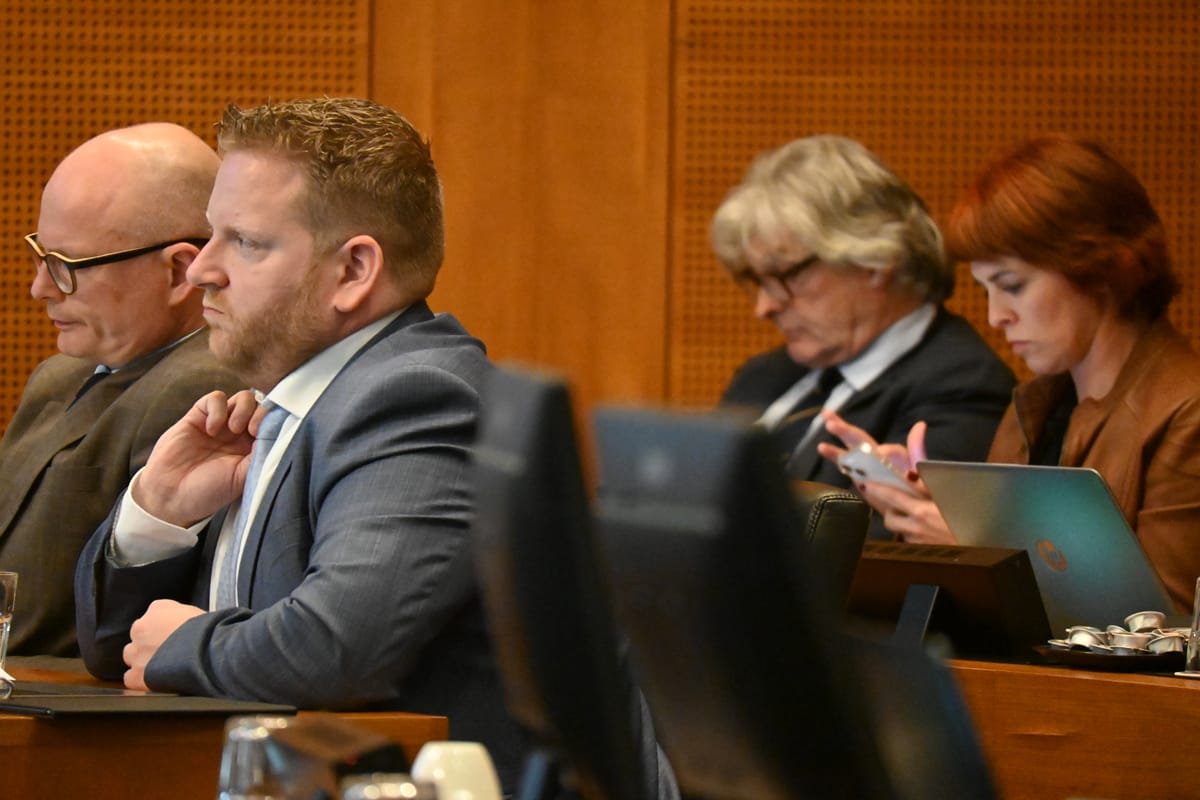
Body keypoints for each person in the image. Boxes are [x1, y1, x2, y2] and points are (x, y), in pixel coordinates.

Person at [74, 99, 523, 787]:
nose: (201, 271)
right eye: (212, 234)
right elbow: (116, 650)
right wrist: (158, 515)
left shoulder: (417, 396)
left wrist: (185, 645)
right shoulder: (286, 407)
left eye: (246, 243)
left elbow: (335, 649)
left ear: (354, 271)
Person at [820, 134, 1200, 611]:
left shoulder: (1187, 413)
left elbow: (1173, 630)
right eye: (986, 290)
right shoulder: (1035, 404)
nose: (996, 316)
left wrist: (975, 548)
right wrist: (933, 508)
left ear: (1100, 267)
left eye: (1012, 285)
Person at [0, 124, 243, 657]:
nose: (40, 288)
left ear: (179, 271)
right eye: (41, 255)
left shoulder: (202, 387)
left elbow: (125, 624)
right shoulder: (60, 374)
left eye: (67, 267)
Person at [714, 135, 1014, 520]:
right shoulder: (762, 377)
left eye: (785, 276)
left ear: (874, 259)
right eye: (758, 281)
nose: (764, 307)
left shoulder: (964, 389)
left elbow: (884, 547)